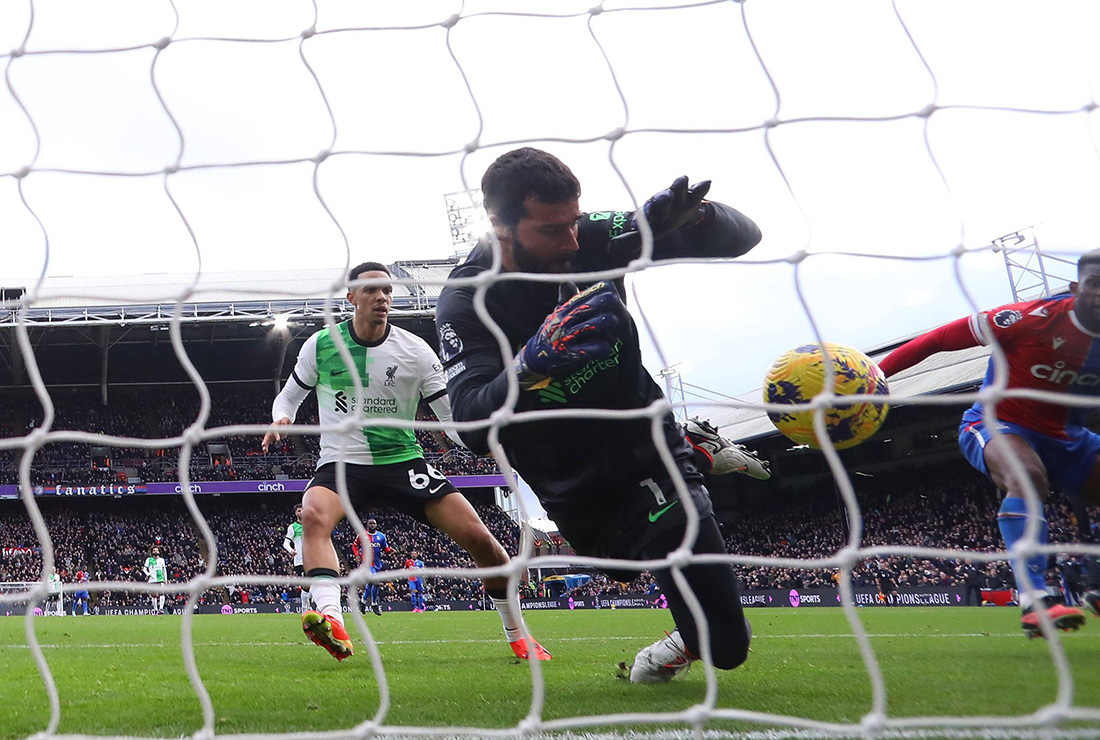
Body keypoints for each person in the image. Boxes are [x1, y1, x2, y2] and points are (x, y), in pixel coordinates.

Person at [434, 147, 761, 682]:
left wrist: (696, 218)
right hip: (572, 484)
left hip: (647, 452)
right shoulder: (466, 300)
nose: (570, 241)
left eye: (573, 222)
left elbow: (745, 238)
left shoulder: (594, 235)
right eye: (550, 230)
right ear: (499, 224)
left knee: (726, 648)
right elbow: (470, 424)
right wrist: (531, 364)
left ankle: (675, 643)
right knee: (619, 568)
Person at [263, 261, 550, 662]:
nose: (382, 298)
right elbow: (290, 395)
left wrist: (480, 442)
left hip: (403, 462)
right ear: (351, 298)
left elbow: (450, 418)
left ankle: (518, 633)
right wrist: (283, 418)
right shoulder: (320, 344)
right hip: (342, 462)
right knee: (312, 515)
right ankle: (331, 618)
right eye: (371, 291)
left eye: (387, 292)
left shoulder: (415, 351)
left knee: (483, 541)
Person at [876, 250, 1100, 637]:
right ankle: (1035, 598)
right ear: (1076, 287)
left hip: (1069, 438)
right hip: (1000, 424)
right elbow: (939, 339)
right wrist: (876, 375)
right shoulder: (1031, 318)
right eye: (1096, 284)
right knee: (1026, 477)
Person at [351, 517, 392, 615]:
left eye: (374, 524)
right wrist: (357, 555)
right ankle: (374, 604)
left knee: (370, 584)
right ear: (367, 525)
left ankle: (362, 602)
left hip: (378, 564)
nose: (372, 525)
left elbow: (386, 549)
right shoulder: (362, 535)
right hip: (367, 564)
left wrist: (391, 551)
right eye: (371, 524)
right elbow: (354, 546)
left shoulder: (381, 536)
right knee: (376, 582)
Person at [282, 503, 311, 613]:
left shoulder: (311, 524)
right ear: (296, 513)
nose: (301, 512)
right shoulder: (292, 527)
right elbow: (285, 543)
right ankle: (305, 609)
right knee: (306, 585)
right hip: (300, 560)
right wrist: (291, 551)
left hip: (313, 558)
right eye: (299, 511)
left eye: (303, 510)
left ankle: (310, 607)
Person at [143, 546, 167, 615]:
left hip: (160, 579)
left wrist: (165, 579)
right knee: (154, 595)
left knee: (162, 593)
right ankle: (155, 610)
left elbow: (164, 570)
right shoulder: (149, 560)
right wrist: (148, 574)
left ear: (159, 552)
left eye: (157, 550)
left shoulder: (162, 560)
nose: (156, 551)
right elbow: (144, 569)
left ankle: (161, 609)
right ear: (152, 552)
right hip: (152, 579)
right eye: (154, 550)